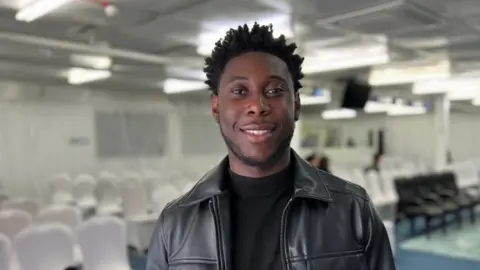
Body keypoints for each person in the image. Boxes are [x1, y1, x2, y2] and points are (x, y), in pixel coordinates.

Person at [146, 23, 395, 270]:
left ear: (296, 105)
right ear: (216, 108)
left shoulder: (353, 210)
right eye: (239, 91)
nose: (257, 105)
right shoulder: (175, 223)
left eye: (275, 90)